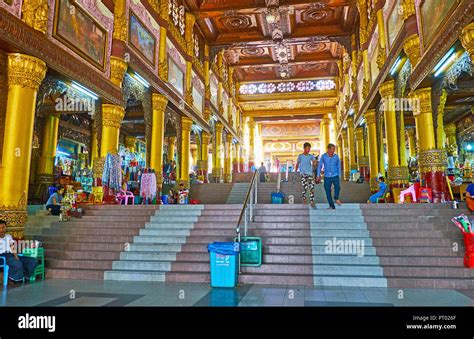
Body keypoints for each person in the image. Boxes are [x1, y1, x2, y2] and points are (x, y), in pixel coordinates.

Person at [317, 143, 342, 209]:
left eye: (334, 150)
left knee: (338, 187)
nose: (333, 151)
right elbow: (319, 166)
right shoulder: (323, 156)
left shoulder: (336, 156)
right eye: (332, 149)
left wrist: (339, 174)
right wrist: (318, 174)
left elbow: (338, 165)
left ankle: (336, 197)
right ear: (328, 149)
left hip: (335, 175)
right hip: (327, 176)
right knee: (327, 191)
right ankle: (331, 205)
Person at [296, 142, 316, 207]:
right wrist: (296, 171)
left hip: (309, 173)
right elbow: (297, 163)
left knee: (312, 187)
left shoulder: (311, 156)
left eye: (309, 148)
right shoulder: (300, 156)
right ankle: (304, 199)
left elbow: (314, 162)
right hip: (303, 173)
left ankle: (312, 200)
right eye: (308, 148)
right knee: (304, 187)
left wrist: (315, 162)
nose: (309, 150)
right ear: (304, 148)